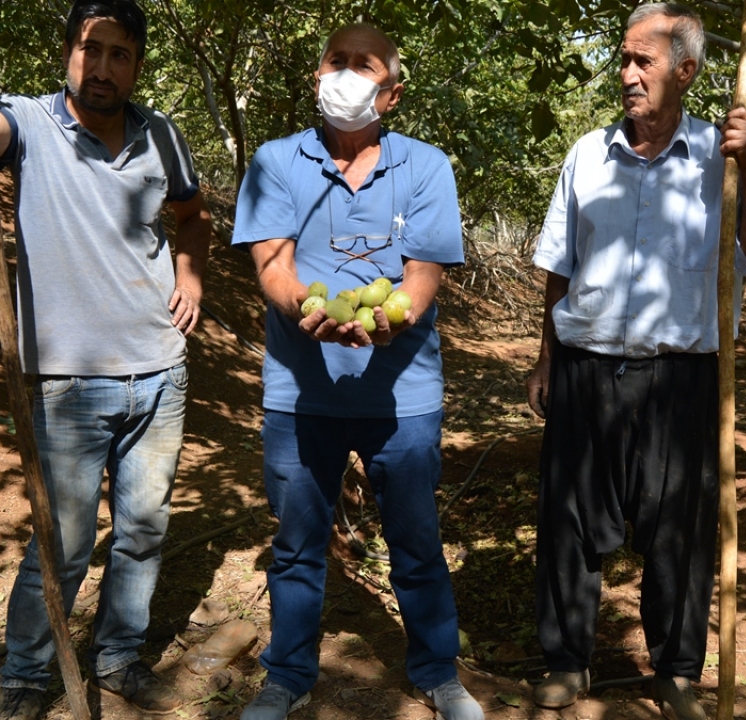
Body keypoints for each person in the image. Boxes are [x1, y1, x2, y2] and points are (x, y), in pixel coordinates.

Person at [0, 0, 212, 717]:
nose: (104, 66)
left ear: (137, 65)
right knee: (64, 542)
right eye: (91, 49)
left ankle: (118, 658)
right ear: (67, 52)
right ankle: (25, 675)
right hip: (68, 383)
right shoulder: (31, 125)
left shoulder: (163, 137)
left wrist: (193, 273)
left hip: (160, 373)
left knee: (144, 531)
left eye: (120, 54)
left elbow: (193, 214)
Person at [524, 4, 746, 720]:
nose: (627, 73)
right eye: (623, 58)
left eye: (643, 61)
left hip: (682, 380)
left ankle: (676, 672)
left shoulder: (724, 159)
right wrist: (546, 354)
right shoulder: (587, 154)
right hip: (585, 368)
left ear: (687, 71)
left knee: (678, 529)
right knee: (570, 524)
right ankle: (567, 662)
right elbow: (560, 266)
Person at [229, 23, 482, 720]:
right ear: (317, 74)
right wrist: (307, 306)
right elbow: (273, 265)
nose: (342, 74)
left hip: (402, 394)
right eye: (334, 61)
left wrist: (386, 321)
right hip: (298, 392)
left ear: (392, 92)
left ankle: (437, 673)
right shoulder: (276, 162)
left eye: (361, 65)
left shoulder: (426, 167)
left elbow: (422, 278)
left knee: (416, 542)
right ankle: (286, 677)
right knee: (298, 544)